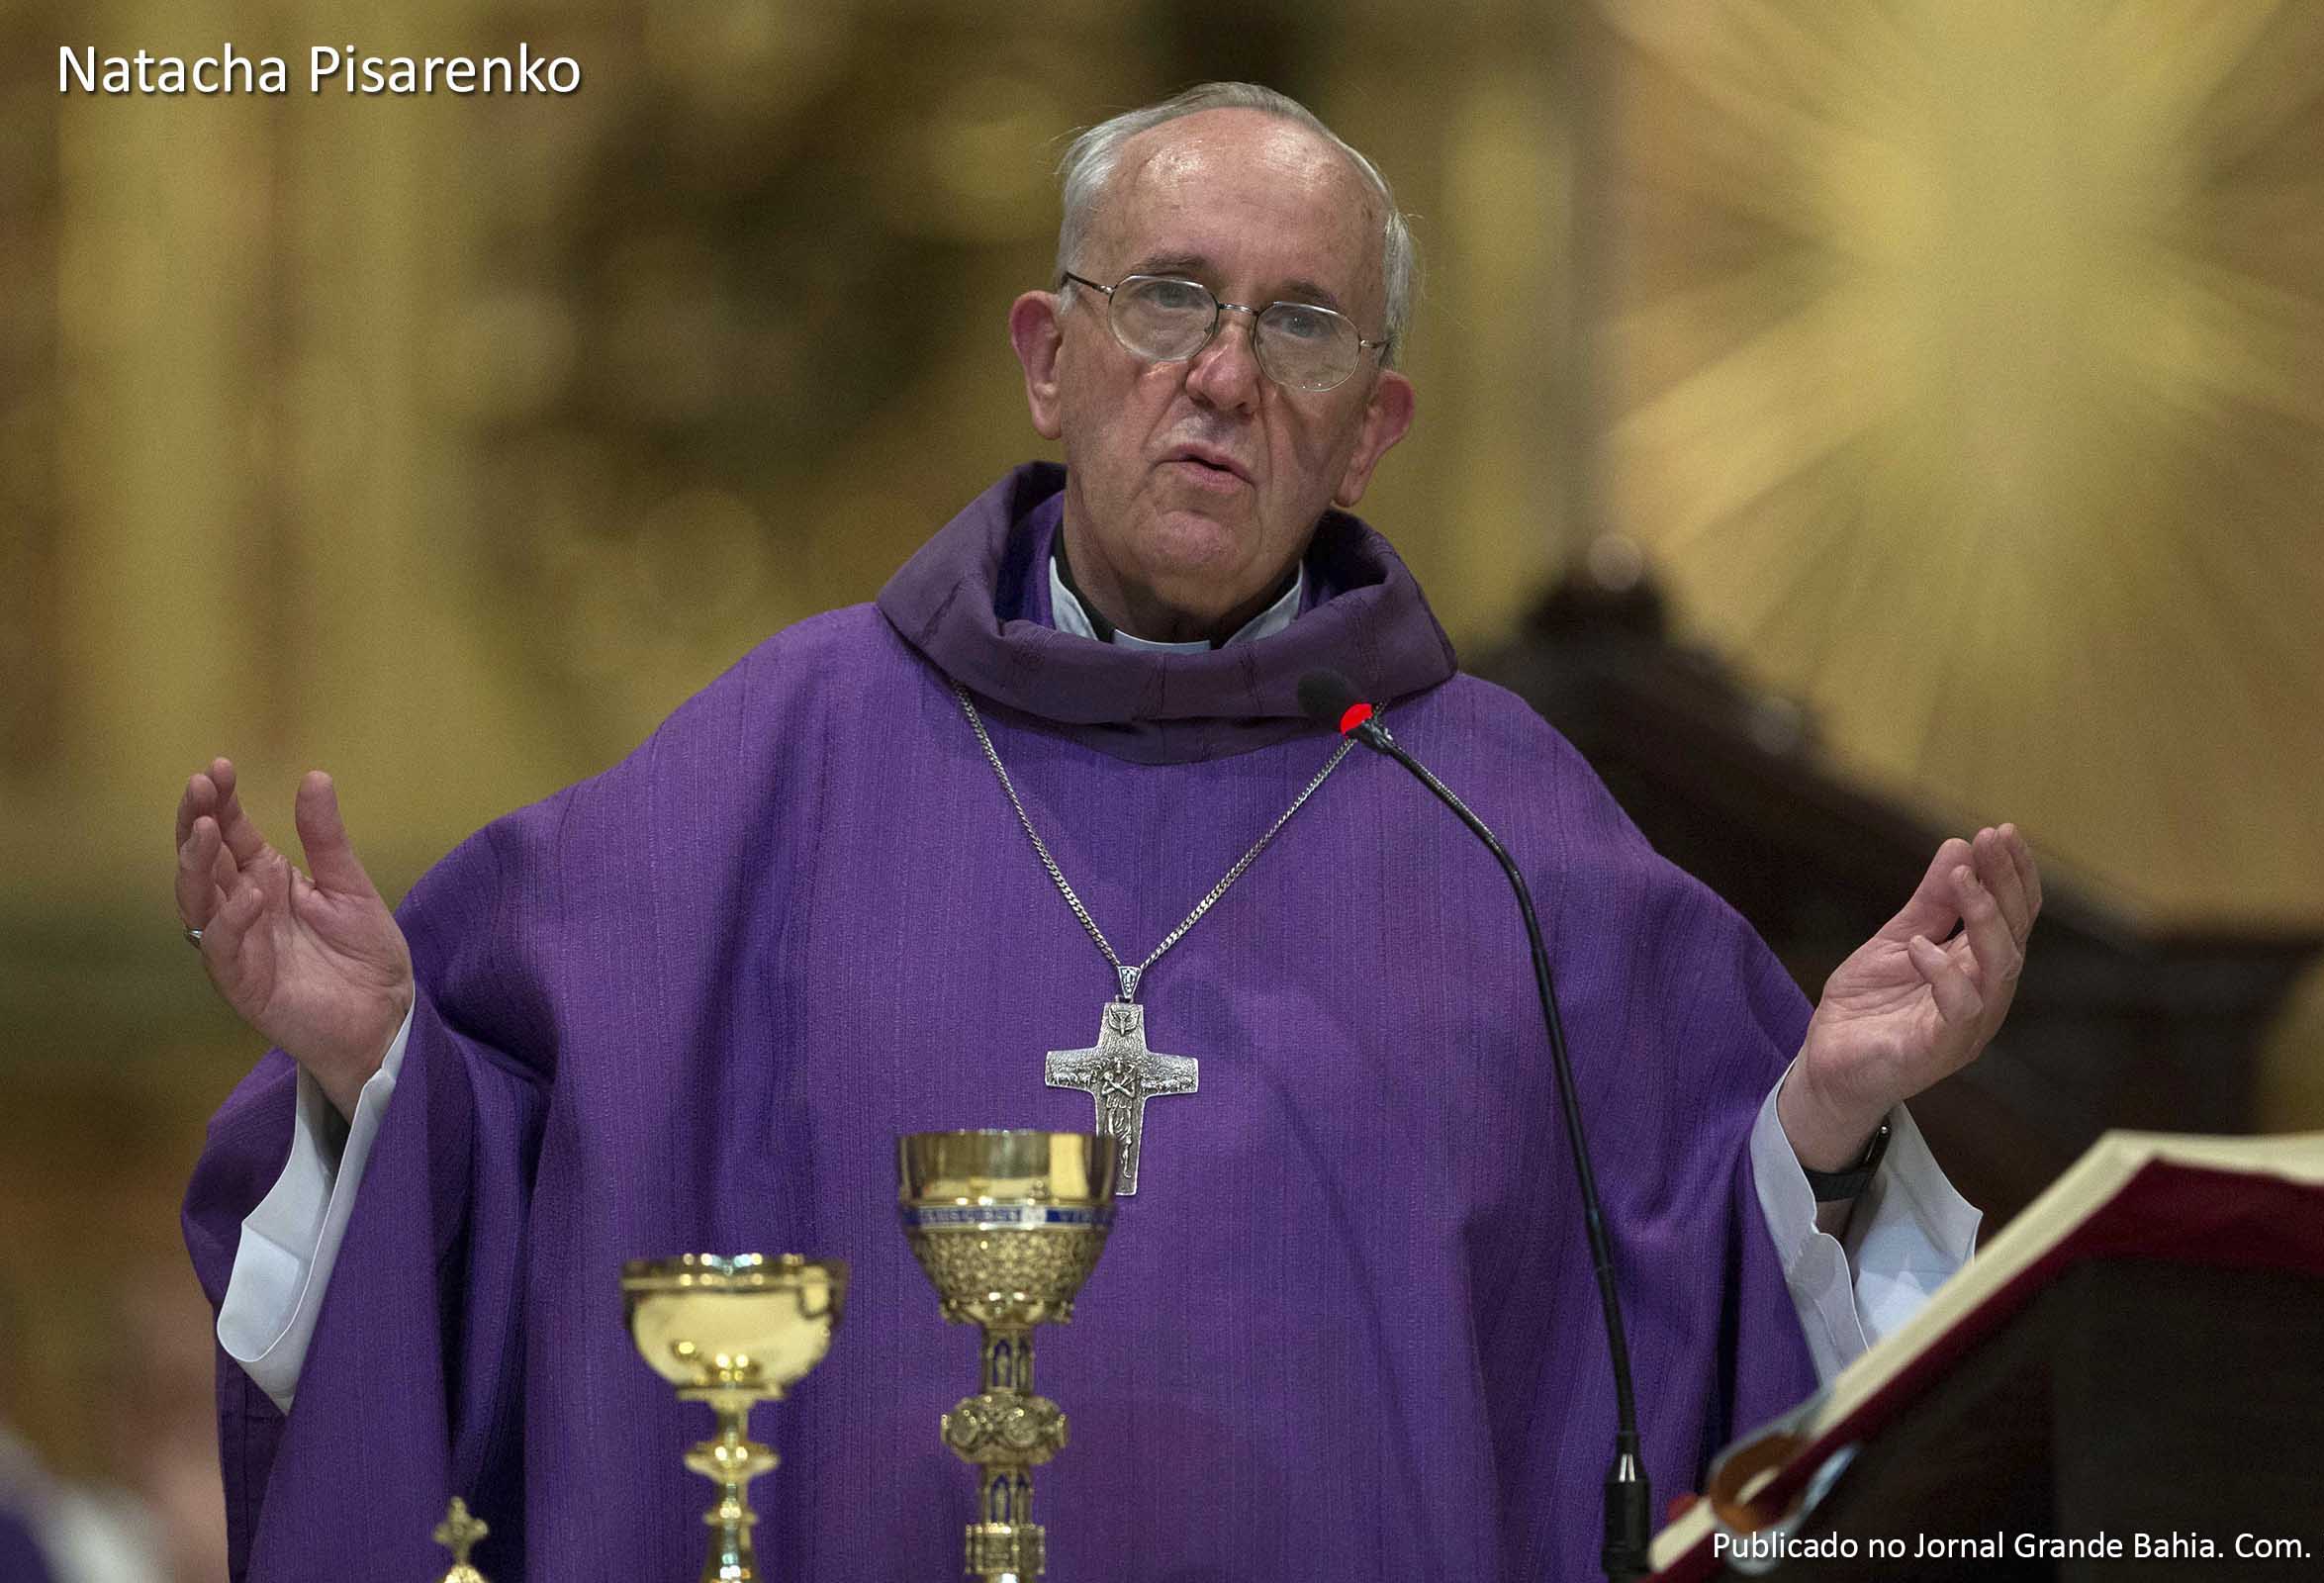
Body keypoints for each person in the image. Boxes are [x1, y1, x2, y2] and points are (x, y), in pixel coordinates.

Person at [177, 82, 2039, 1581]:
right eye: (1165, 297)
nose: (1223, 372)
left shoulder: (1504, 828)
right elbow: (521, 1207)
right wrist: (378, 1076)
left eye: (1299, 325)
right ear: (1047, 357)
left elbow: (1694, 1340)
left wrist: (1829, 1124)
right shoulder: (773, 764)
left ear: (1372, 427)